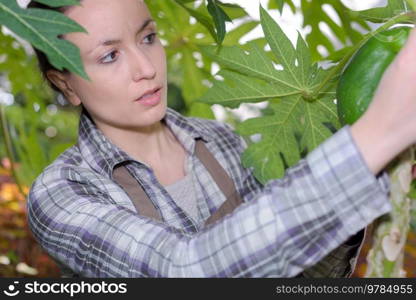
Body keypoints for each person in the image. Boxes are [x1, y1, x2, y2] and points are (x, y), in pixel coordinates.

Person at [26, 0, 416, 278]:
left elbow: (307, 278)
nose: (146, 68)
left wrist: (372, 173)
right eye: (109, 56)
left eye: (147, 38)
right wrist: (372, 138)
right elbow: (184, 271)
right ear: (66, 84)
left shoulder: (224, 141)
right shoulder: (61, 194)